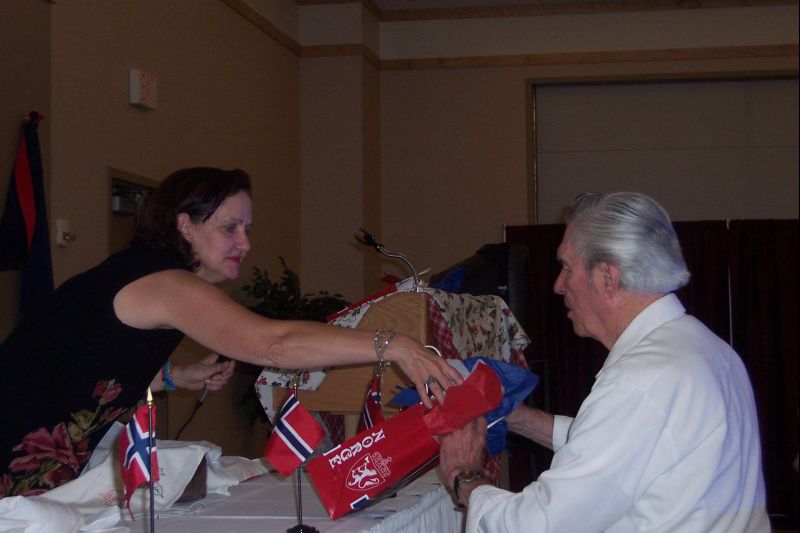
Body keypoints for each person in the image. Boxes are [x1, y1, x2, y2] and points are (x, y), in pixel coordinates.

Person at [0, 167, 460, 498]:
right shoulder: (166, 283)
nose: (245, 242)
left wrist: (176, 376)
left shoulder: (151, 277)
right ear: (185, 225)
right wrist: (394, 344)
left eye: (248, 228)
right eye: (230, 228)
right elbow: (273, 344)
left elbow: (90, 364)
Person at [438, 192, 769, 532]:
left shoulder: (641, 379)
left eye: (567, 267)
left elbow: (537, 525)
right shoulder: (705, 347)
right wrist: (516, 416)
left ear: (607, 278)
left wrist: (464, 476)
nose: (558, 285)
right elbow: (620, 445)